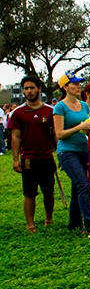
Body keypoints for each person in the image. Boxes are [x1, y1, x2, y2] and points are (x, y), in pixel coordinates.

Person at [53, 73, 90, 237]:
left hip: (83, 150)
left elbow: (86, 126)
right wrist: (79, 126)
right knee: (83, 184)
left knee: (77, 187)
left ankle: (74, 223)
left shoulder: (84, 105)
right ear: (65, 87)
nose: (78, 86)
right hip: (67, 151)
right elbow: (59, 134)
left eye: (79, 83)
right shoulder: (60, 107)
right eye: (74, 84)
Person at [7, 75, 56, 232]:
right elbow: (15, 136)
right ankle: (30, 224)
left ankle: (49, 218)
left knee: (49, 192)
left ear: (39, 89)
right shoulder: (18, 112)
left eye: (32, 88)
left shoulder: (50, 111)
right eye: (26, 88)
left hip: (47, 157)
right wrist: (16, 160)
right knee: (29, 193)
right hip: (28, 159)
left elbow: (56, 134)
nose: (29, 91)